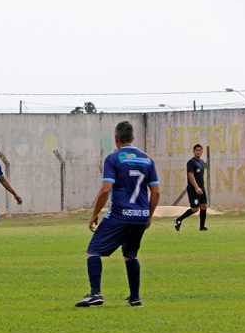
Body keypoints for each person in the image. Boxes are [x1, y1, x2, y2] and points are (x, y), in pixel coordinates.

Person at [76, 121, 160, 307]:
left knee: (94, 250)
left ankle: (96, 293)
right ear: (133, 138)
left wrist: (94, 214)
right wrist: (149, 216)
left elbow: (106, 189)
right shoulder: (147, 159)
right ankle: (135, 297)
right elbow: (156, 192)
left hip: (120, 214)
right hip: (140, 216)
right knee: (130, 254)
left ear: (116, 139)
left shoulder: (113, 159)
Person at [174, 143, 208, 231]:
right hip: (194, 189)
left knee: (204, 206)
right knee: (195, 209)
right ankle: (179, 219)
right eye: (196, 150)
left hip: (201, 188)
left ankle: (202, 227)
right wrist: (196, 187)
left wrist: (201, 187)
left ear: (202, 151)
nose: (198, 152)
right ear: (193, 151)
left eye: (200, 150)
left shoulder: (201, 162)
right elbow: (190, 175)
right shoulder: (191, 162)